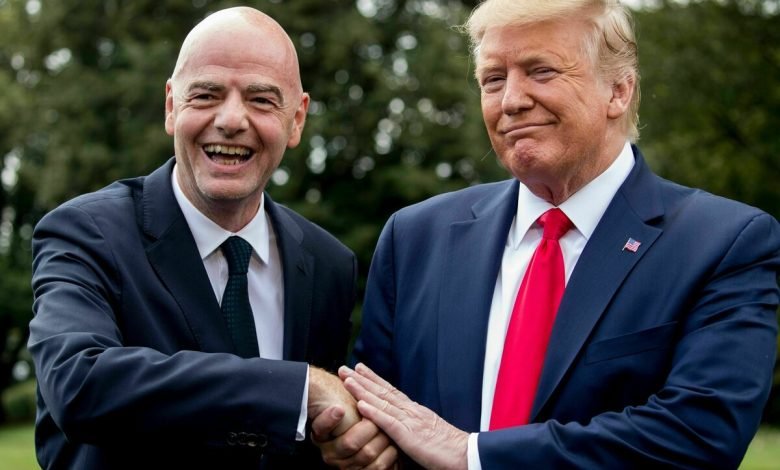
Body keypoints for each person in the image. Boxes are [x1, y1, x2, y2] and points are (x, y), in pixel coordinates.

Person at [314, 0, 780, 468]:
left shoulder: (721, 243)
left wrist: (471, 454)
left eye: (541, 71)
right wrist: (357, 436)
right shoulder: (415, 239)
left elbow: (699, 433)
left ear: (618, 91)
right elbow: (377, 413)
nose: (511, 100)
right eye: (493, 79)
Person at [28, 7, 394, 469]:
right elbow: (78, 384)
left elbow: (314, 440)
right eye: (206, 95)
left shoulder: (328, 264)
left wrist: (358, 444)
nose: (231, 119)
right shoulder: (86, 234)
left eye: (261, 100)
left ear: (298, 119)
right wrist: (300, 388)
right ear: (171, 106)